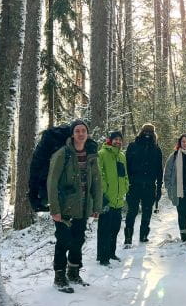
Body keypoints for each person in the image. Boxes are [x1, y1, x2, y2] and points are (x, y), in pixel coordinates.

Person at [46, 119, 102, 292]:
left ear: (87, 133)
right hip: (64, 207)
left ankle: (74, 271)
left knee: (78, 240)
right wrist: (54, 209)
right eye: (77, 131)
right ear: (72, 134)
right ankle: (59, 276)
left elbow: (96, 182)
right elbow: (52, 182)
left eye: (83, 130)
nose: (81, 134)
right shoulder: (63, 154)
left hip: (83, 206)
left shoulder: (91, 155)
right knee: (63, 241)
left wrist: (96, 206)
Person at [124, 123, 164, 246]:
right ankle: (128, 238)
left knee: (147, 212)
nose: (147, 134)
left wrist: (158, 189)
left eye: (150, 132)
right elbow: (127, 167)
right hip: (134, 186)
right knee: (132, 212)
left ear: (153, 134)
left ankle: (143, 235)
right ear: (141, 132)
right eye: (145, 132)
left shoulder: (156, 149)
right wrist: (127, 184)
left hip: (149, 186)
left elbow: (159, 171)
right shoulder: (132, 146)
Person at [97, 130, 129, 266]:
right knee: (104, 229)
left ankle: (111, 253)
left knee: (115, 228)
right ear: (110, 140)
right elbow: (99, 174)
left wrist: (125, 187)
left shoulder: (121, 156)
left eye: (119, 140)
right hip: (106, 199)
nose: (117, 141)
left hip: (118, 200)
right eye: (115, 139)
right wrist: (105, 190)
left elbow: (125, 175)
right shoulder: (102, 154)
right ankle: (102, 257)